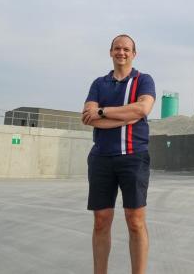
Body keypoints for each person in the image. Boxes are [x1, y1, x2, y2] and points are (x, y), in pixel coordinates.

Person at [81, 34, 156, 274]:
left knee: (135, 221)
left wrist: (102, 113)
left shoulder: (143, 80)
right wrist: (126, 116)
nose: (121, 52)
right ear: (110, 52)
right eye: (117, 48)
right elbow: (88, 117)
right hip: (101, 158)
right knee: (101, 220)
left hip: (134, 157)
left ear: (134, 54)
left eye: (126, 49)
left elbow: (143, 108)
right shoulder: (98, 83)